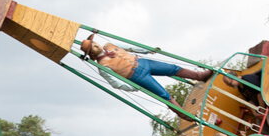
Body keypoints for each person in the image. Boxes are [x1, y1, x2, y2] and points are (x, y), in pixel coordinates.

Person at [80, 34, 212, 119]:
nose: (96, 45)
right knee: (164, 95)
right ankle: (185, 115)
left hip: (143, 62)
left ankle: (200, 75)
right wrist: (133, 87)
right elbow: (115, 83)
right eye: (92, 47)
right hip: (137, 76)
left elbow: (130, 47)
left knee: (173, 68)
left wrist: (148, 50)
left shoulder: (109, 45)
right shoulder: (102, 65)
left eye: (94, 43)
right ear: (91, 53)